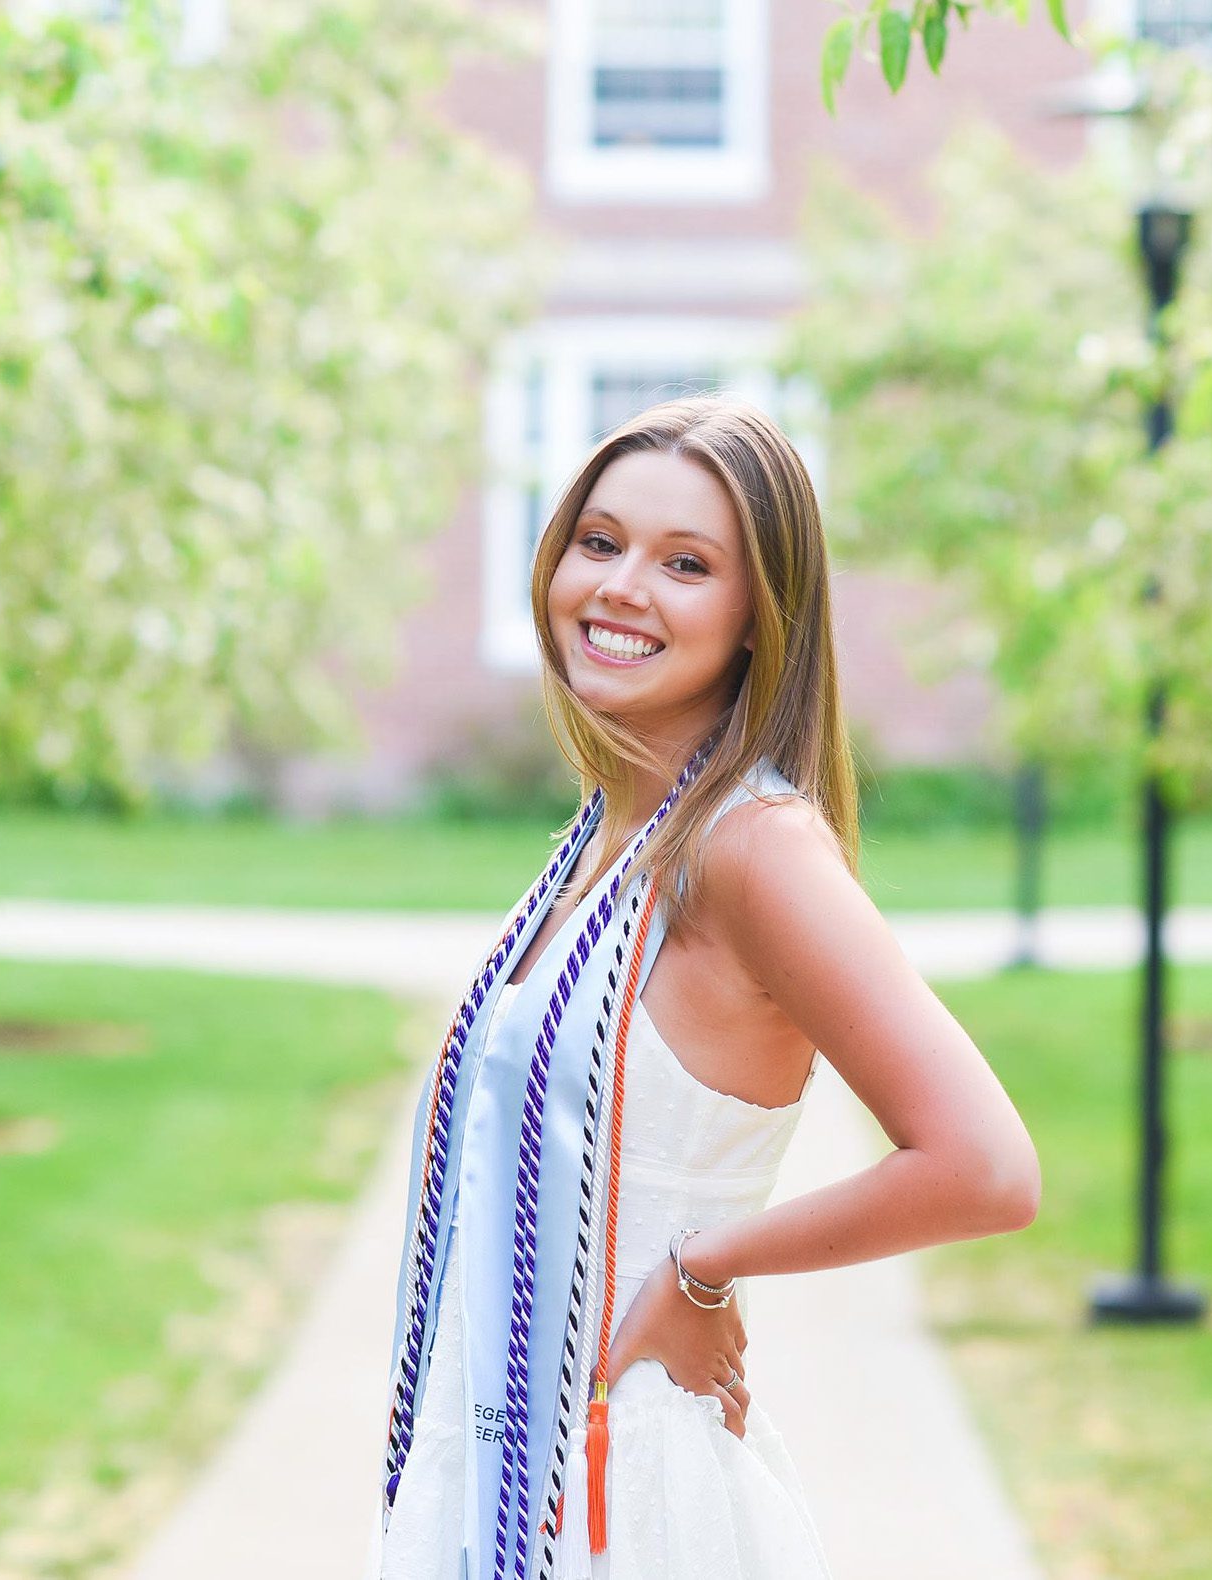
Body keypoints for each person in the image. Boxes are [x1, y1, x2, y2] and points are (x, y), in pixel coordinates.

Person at [369, 396, 1041, 1580]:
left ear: (754, 620)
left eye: (686, 563)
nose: (624, 585)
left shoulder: (752, 846)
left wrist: (705, 1267)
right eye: (600, 541)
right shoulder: (607, 838)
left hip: (629, 1492)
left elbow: (984, 1165)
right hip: (506, 1455)